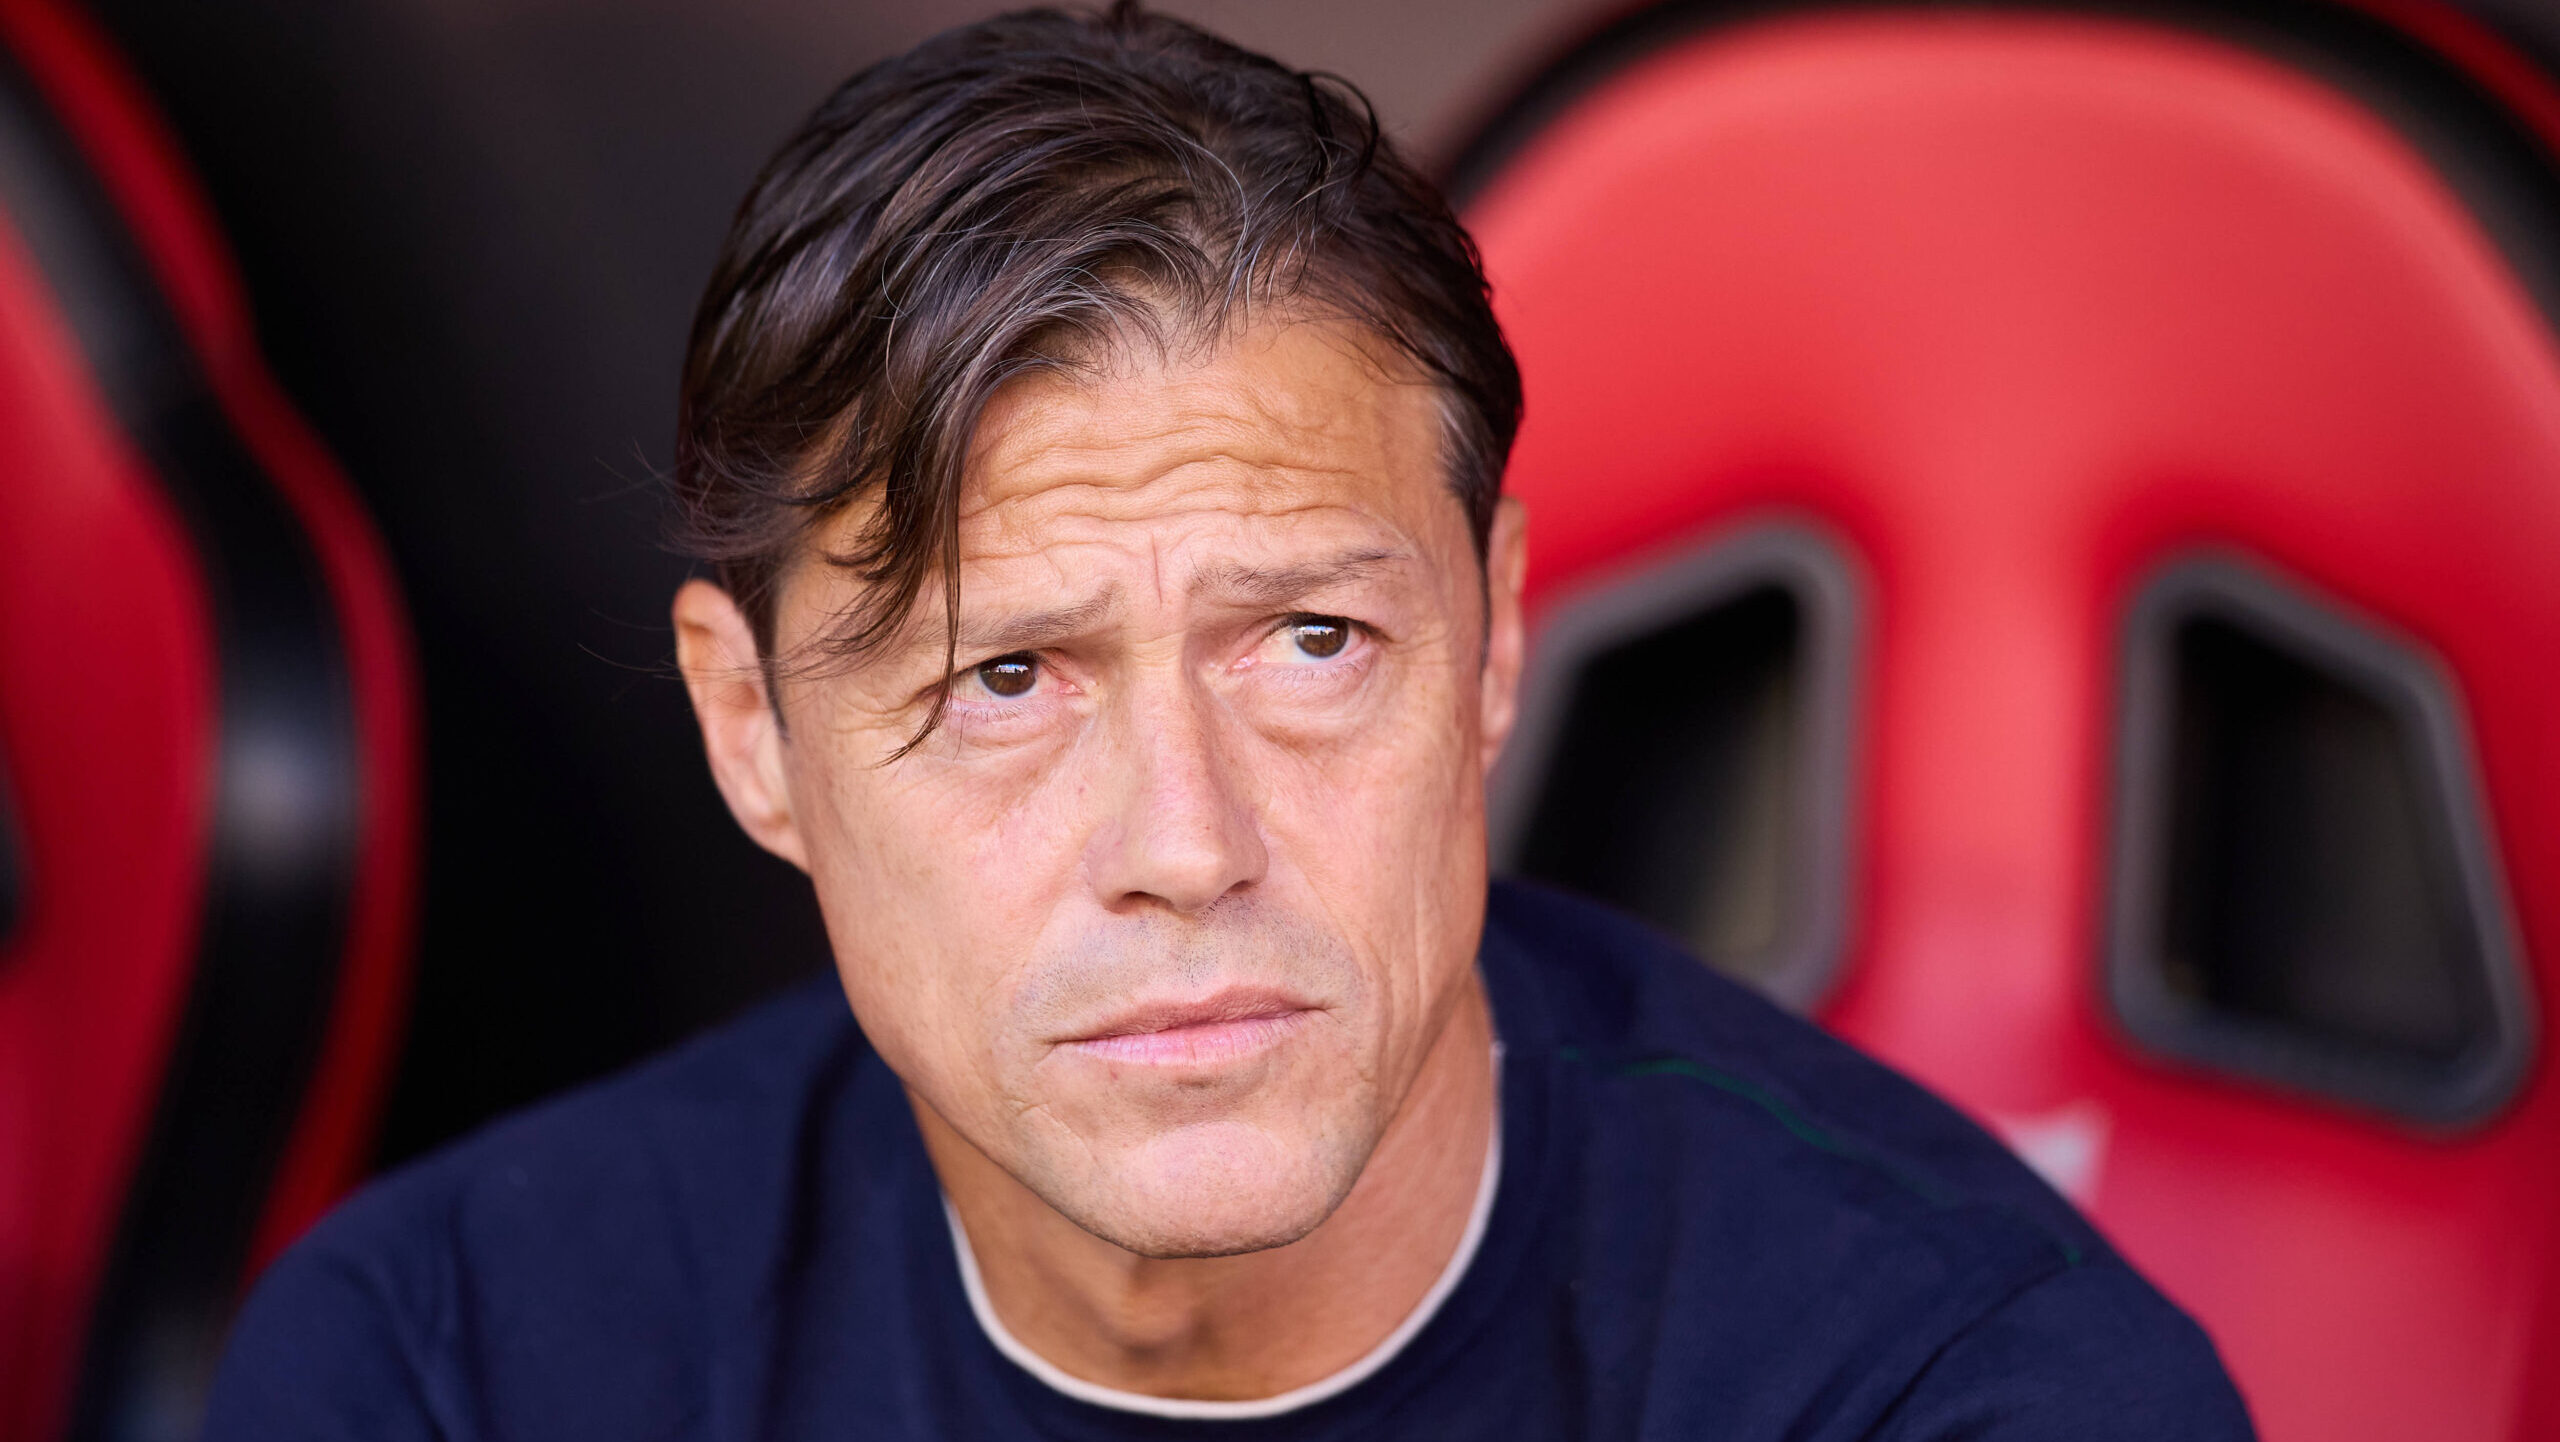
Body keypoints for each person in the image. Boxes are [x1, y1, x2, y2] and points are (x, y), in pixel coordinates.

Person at [201, 5, 2254, 1437]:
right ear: (752, 735)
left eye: (1306, 646)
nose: (1185, 840)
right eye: (1006, 678)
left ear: (1494, 638)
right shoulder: (450, 1366)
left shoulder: (1963, 1393)